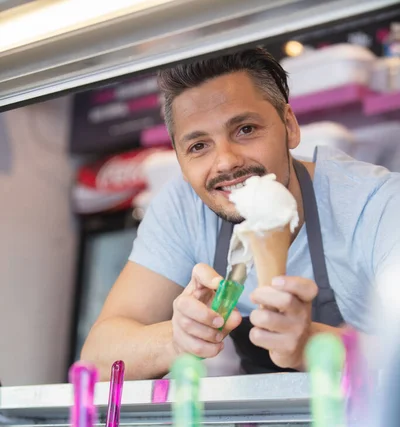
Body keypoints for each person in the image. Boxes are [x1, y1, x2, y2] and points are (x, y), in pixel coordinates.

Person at [81, 47, 400, 381]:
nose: (226, 162)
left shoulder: (375, 205)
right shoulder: (183, 208)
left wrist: (310, 343)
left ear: (289, 126)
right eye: (198, 146)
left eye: (245, 129)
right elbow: (99, 356)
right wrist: (176, 340)